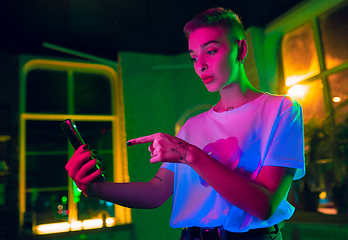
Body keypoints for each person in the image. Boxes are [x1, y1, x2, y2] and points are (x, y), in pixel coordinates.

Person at [65, 7, 305, 240]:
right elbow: (155, 192)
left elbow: (264, 205)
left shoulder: (281, 109)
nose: (200, 65)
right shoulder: (191, 126)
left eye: (210, 51)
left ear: (240, 49)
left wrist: (187, 153)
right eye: (193, 57)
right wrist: (95, 189)